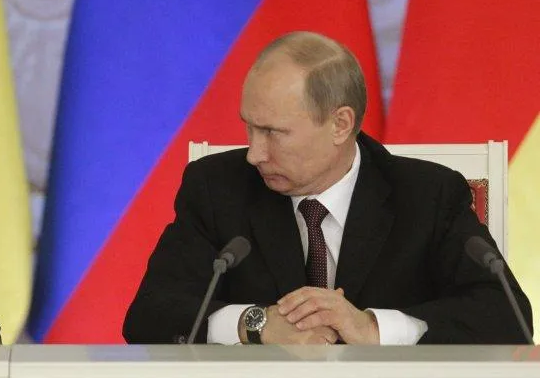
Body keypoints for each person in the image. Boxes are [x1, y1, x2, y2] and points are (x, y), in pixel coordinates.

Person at [123, 31, 531, 345]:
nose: (254, 154)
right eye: (249, 127)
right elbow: (149, 315)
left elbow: (508, 318)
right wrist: (257, 323)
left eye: (273, 132)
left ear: (340, 124)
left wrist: (372, 327)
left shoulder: (428, 194)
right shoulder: (217, 187)